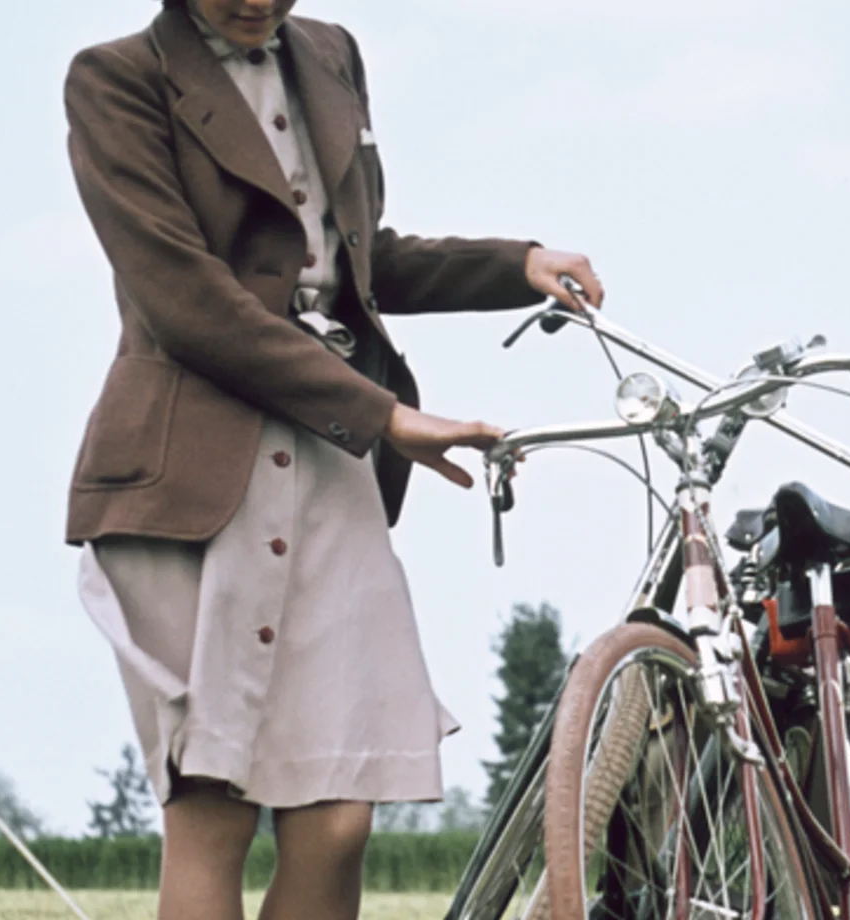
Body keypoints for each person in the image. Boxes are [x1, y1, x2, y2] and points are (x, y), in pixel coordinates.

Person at [62, 1, 600, 917]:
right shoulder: (114, 78)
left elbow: (350, 260)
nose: (254, 2)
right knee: (212, 810)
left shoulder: (331, 53)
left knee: (339, 817)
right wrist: (385, 416)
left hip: (330, 462)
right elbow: (185, 299)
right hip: (192, 472)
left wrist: (515, 263)